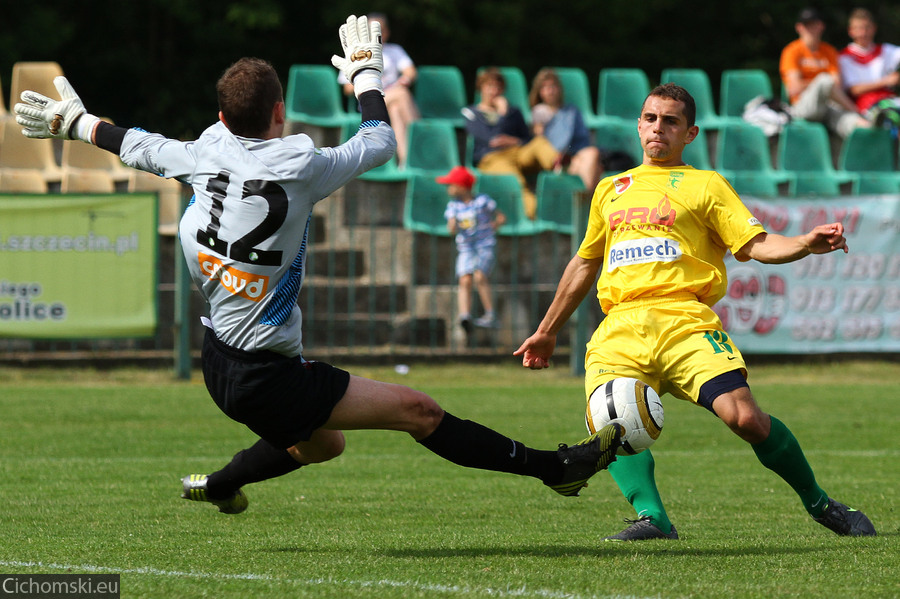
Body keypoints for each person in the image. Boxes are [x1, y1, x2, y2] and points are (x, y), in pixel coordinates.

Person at [14, 15, 623, 512]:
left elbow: (135, 144)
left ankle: (222, 484)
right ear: (281, 114)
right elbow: (380, 141)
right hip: (265, 373)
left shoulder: (199, 152)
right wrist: (364, 73)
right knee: (420, 411)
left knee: (324, 444)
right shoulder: (300, 166)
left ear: (223, 118)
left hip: (219, 359)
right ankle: (555, 470)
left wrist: (74, 122)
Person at [515, 82, 877, 540]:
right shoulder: (611, 188)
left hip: (685, 321)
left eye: (670, 121)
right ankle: (654, 519)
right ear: (639, 124)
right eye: (650, 118)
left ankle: (822, 504)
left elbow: (757, 243)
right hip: (621, 325)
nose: (657, 129)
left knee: (745, 419)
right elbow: (586, 260)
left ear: (690, 134)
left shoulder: (705, 184)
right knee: (613, 424)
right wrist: (547, 330)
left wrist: (804, 243)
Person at [462, 67, 560, 220]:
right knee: (516, 180)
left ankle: (559, 165)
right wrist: (502, 114)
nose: (494, 91)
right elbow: (491, 139)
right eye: (489, 86)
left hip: (518, 152)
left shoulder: (514, 112)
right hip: (492, 158)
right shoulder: (471, 113)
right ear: (480, 88)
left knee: (540, 142)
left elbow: (527, 139)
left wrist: (515, 141)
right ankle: (536, 213)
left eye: (498, 87)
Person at [338, 12, 419, 166]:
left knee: (396, 110)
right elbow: (347, 89)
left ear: (387, 32)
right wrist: (368, 82)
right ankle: (419, 135)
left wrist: (405, 79)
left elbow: (411, 72)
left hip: (394, 101)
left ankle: (405, 161)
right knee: (402, 94)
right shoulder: (357, 53)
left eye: (381, 29)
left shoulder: (394, 51)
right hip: (370, 102)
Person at [780, 7, 869, 138]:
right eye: (806, 25)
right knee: (824, 80)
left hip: (828, 107)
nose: (810, 29)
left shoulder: (829, 51)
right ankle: (857, 110)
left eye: (814, 24)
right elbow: (793, 88)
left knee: (853, 122)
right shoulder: (791, 51)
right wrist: (818, 84)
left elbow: (837, 85)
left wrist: (812, 84)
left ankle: (871, 128)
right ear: (799, 27)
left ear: (821, 26)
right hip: (803, 107)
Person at [438, 165, 506, 333]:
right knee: (465, 279)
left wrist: (495, 224)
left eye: (451, 185)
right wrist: (452, 226)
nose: (448, 189)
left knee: (479, 276)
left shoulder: (483, 201)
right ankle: (465, 315)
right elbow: (450, 229)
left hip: (484, 245)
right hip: (466, 248)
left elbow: (501, 216)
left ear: (461, 186)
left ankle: (490, 314)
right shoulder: (453, 207)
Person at [529, 68, 603, 190]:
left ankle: (587, 203)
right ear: (540, 92)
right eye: (545, 87)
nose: (550, 91)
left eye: (553, 86)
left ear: (559, 89)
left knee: (592, 154)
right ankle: (588, 204)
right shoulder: (538, 112)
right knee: (593, 168)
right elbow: (540, 145)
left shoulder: (571, 111)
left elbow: (582, 141)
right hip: (552, 161)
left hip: (572, 157)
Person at [839, 8, 900, 131]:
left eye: (867, 27)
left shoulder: (886, 50)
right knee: (891, 117)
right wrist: (886, 81)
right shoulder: (844, 57)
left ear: (874, 28)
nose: (863, 33)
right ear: (851, 31)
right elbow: (855, 89)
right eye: (859, 28)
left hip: (892, 100)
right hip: (866, 107)